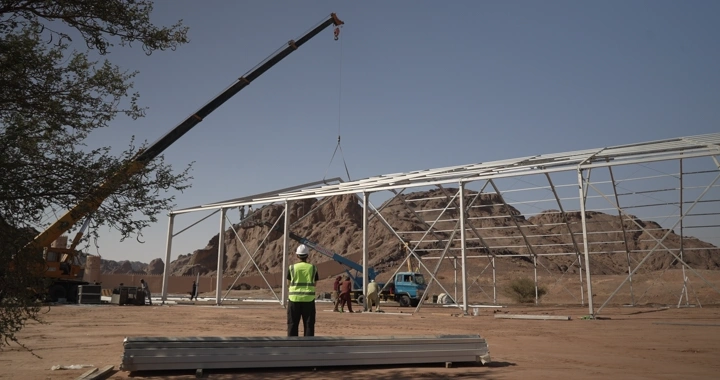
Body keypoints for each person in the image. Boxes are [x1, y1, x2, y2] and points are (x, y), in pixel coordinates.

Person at [287, 244, 319, 336]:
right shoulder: (313, 268)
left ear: (297, 255)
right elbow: (315, 283)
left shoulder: (292, 268)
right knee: (309, 324)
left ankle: (292, 346)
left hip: (294, 299)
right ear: (307, 255)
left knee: (292, 324)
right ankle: (308, 346)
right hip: (308, 299)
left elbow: (288, 283)